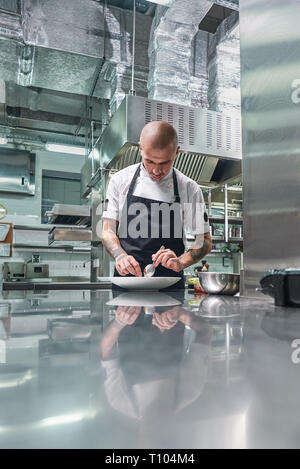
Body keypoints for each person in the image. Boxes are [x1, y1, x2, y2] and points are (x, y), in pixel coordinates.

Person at [101, 121, 212, 289]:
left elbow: (204, 241)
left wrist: (181, 262)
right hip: (127, 285)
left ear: (176, 152)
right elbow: (107, 231)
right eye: (150, 161)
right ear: (140, 148)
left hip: (170, 288)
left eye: (164, 163)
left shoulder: (189, 188)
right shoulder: (120, 181)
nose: (156, 171)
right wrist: (119, 255)